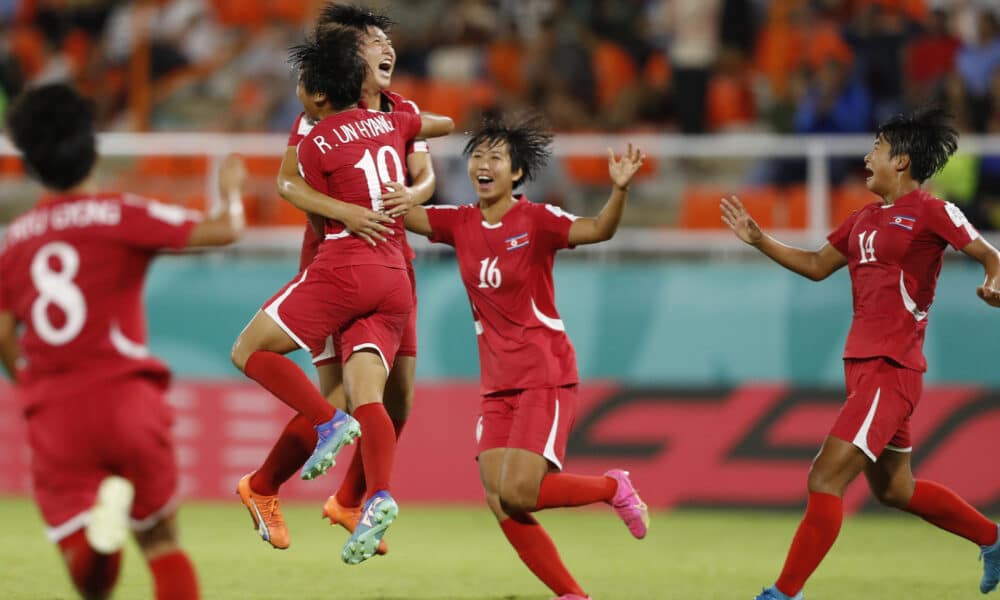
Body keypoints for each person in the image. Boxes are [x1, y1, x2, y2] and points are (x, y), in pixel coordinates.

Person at [720, 106, 1000, 600]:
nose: (867, 156)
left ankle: (784, 593)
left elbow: (987, 253)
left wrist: (994, 280)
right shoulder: (863, 219)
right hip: (863, 367)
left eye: (876, 147)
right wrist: (760, 239)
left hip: (892, 368)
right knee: (895, 489)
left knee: (825, 476)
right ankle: (994, 539)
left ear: (903, 160)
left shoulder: (932, 210)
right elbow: (813, 264)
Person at [0, 83, 246, 600]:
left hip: (55, 411)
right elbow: (224, 231)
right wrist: (232, 189)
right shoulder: (120, 213)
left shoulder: (15, 241)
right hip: (125, 399)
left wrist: (29, 381)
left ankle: (100, 539)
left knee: (89, 580)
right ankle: (116, 526)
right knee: (161, 543)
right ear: (92, 148)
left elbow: (2, 330)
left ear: (30, 163)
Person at [229, 25, 452, 565]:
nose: (387, 48)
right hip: (338, 257)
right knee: (340, 399)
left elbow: (424, 172)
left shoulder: (397, 109)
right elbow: (289, 184)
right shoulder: (319, 116)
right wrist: (347, 211)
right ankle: (265, 485)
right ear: (353, 61)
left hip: (394, 258)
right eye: (373, 42)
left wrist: (411, 195)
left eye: (387, 39)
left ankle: (355, 499)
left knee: (395, 401)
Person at [403, 113, 650, 600]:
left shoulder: (537, 220)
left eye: (496, 157)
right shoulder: (459, 222)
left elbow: (599, 229)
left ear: (516, 173)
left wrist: (618, 190)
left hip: (544, 372)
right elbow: (399, 213)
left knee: (520, 492)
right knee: (500, 500)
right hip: (496, 382)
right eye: (477, 155)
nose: (483, 164)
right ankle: (571, 595)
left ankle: (611, 487)